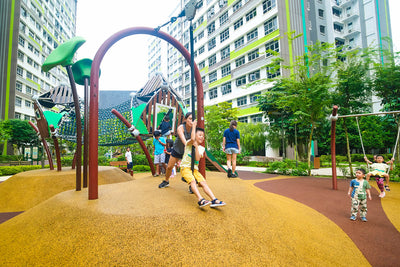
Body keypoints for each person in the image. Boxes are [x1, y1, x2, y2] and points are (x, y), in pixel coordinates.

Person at [180, 120, 226, 208]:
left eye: (203, 136)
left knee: (203, 183)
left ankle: (214, 199)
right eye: (200, 135)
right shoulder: (188, 143)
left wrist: (196, 147)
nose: (202, 137)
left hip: (195, 169)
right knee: (193, 182)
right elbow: (192, 139)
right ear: (195, 135)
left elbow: (197, 158)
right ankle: (200, 199)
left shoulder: (201, 148)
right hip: (185, 168)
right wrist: (193, 126)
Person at [159, 112, 193, 189]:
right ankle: (166, 181)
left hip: (187, 151)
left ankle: (191, 185)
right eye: (190, 119)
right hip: (177, 150)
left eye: (193, 119)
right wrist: (186, 145)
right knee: (169, 167)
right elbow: (182, 138)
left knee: (191, 168)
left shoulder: (194, 129)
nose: (191, 121)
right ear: (185, 119)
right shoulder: (181, 127)